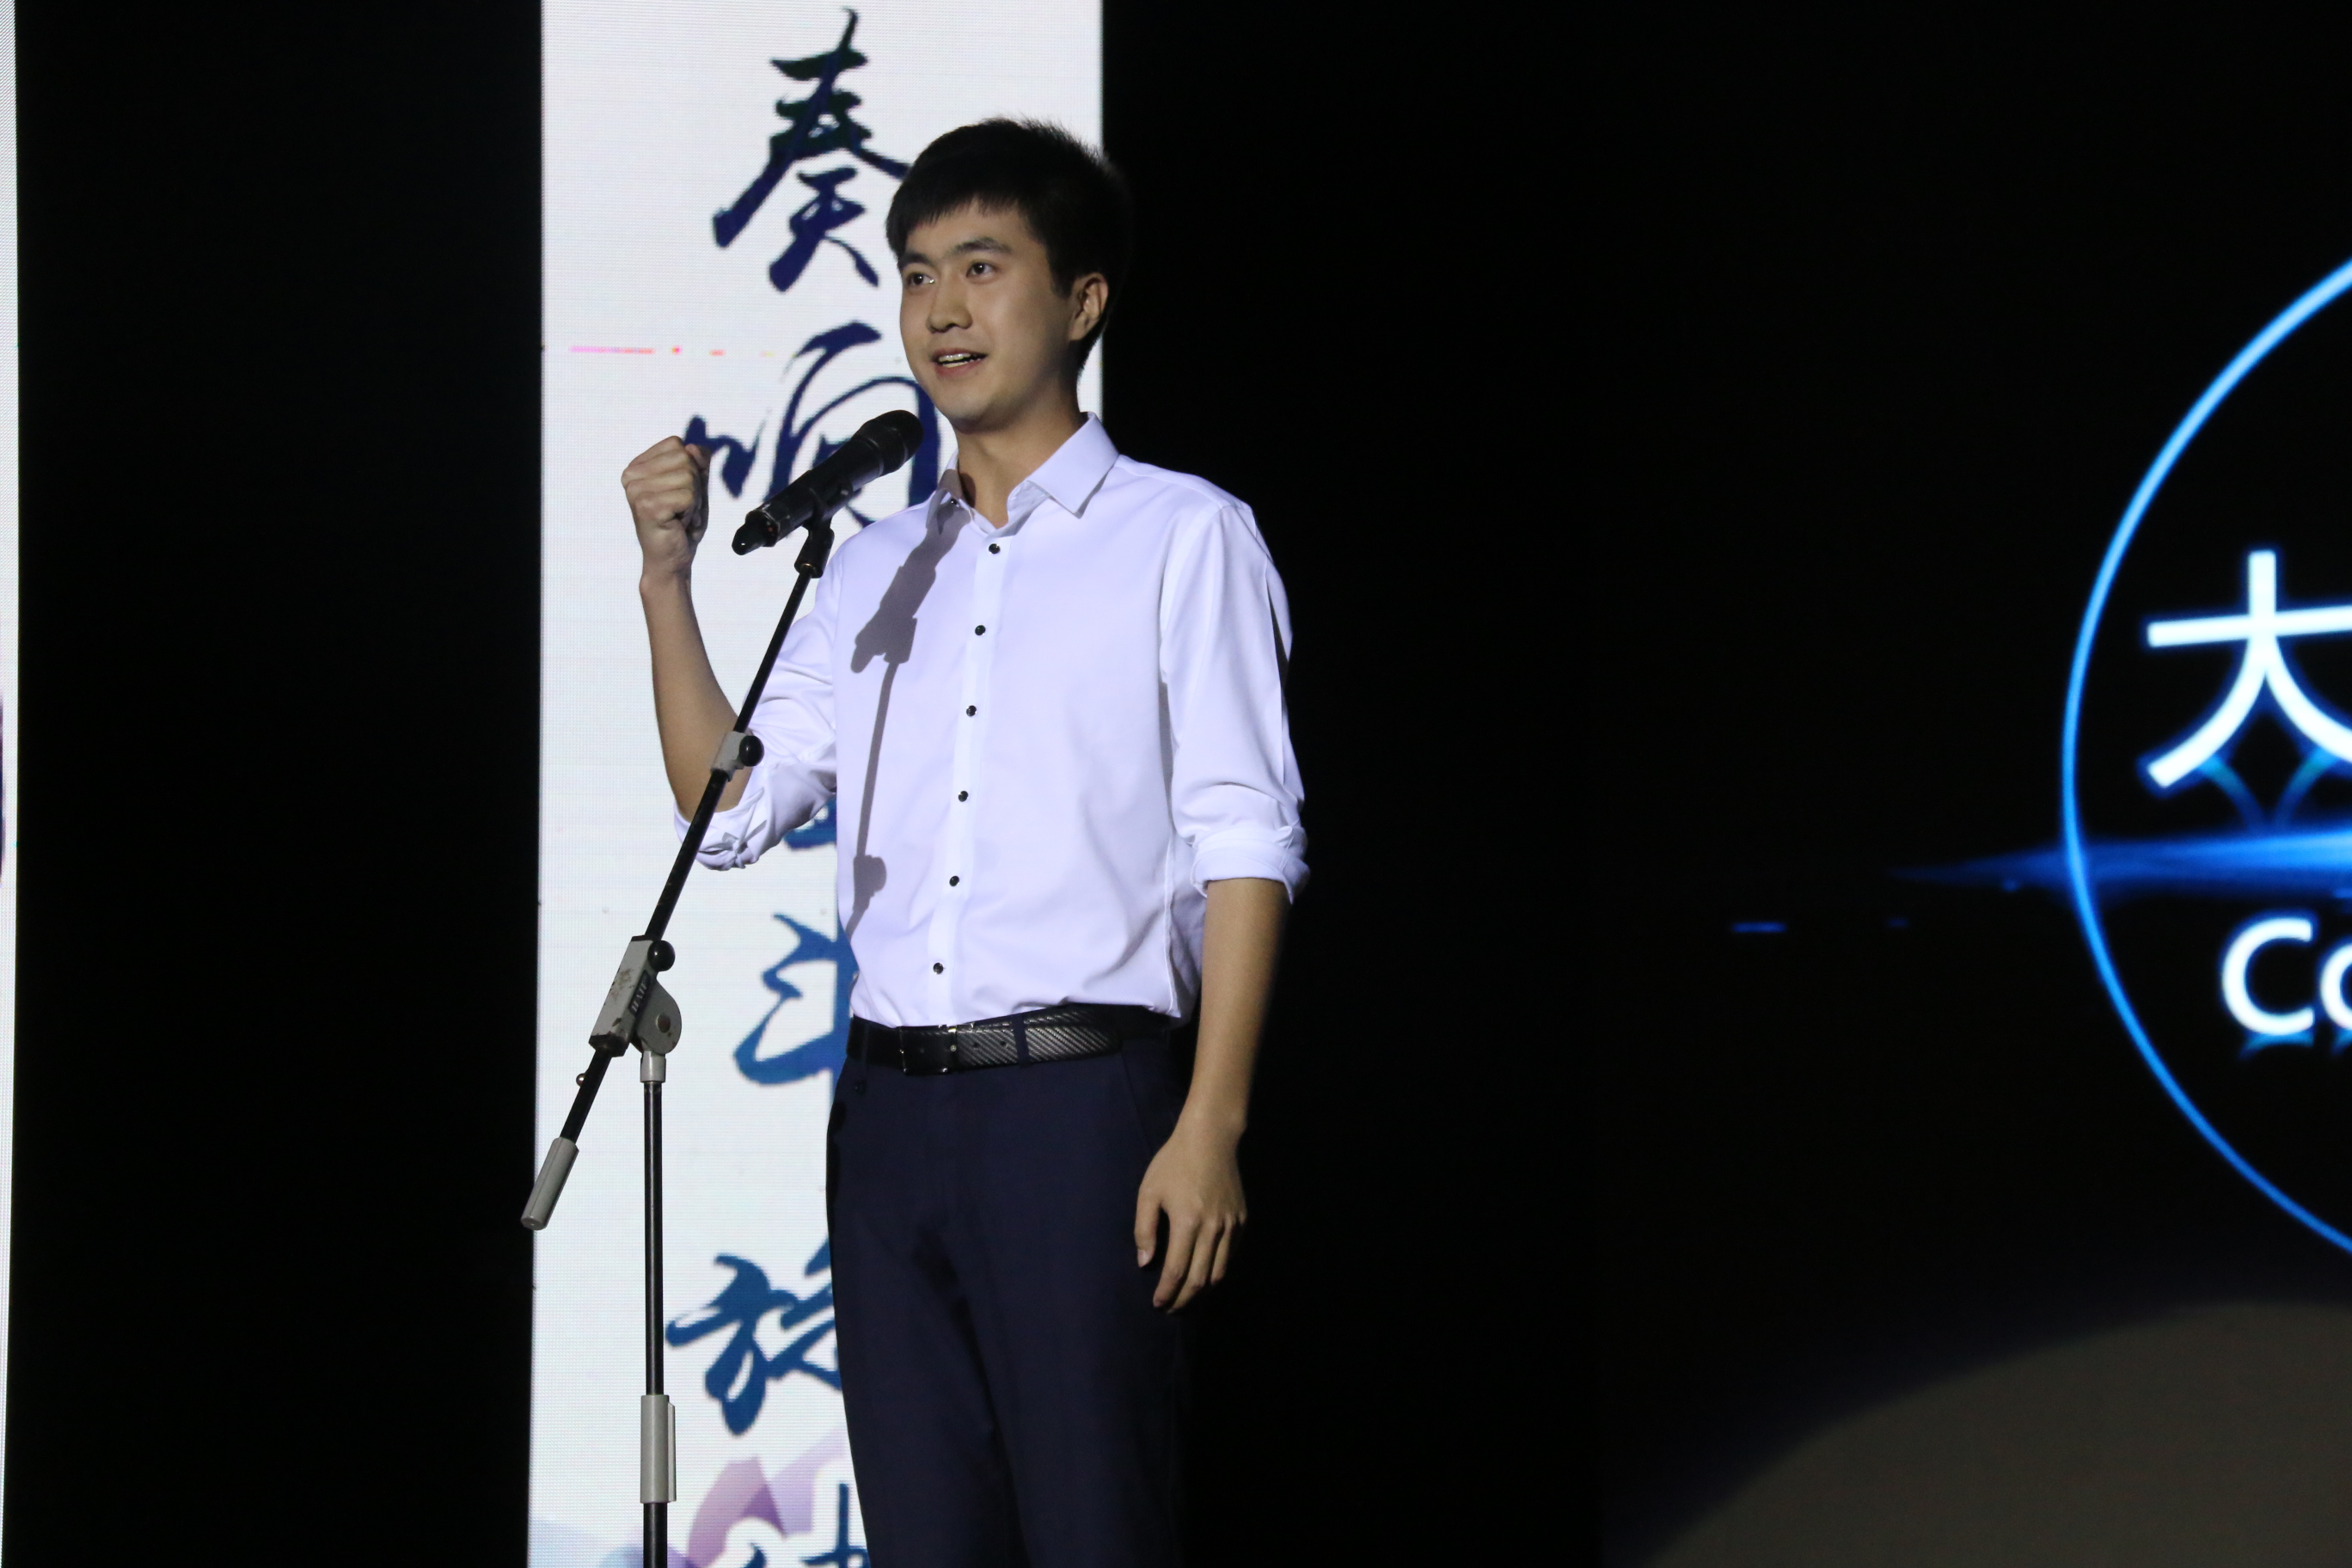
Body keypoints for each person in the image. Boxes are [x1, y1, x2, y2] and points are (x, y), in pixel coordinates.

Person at [618, 118, 1303, 1566]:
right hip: (886, 1118)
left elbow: (1247, 837)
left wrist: (1211, 1125)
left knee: (1096, 1529)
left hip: (1080, 1110)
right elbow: (727, 810)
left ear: (1084, 298)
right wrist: (667, 585)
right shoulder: (871, 566)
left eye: (983, 268)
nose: (941, 309)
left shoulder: (1182, 536)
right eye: (918, 273)